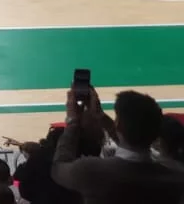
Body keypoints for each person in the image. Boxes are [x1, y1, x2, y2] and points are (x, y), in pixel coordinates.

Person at [52, 87, 184, 203]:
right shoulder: (176, 177)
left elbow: (58, 168)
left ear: (118, 125)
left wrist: (73, 121)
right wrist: (102, 118)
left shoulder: (90, 171)